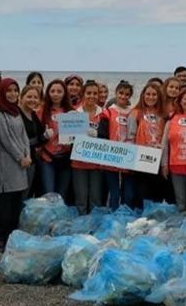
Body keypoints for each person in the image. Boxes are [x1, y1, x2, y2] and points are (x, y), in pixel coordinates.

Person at [0, 81, 32, 248]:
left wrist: (27, 155)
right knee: (3, 202)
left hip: (22, 162)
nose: (13, 94)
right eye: (9, 91)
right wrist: (19, 157)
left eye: (16, 90)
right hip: (6, 162)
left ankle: (12, 234)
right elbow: (5, 138)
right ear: (2, 92)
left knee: (16, 202)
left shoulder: (16, 111)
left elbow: (24, 136)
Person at [128, 83, 166, 208]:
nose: (151, 97)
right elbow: (130, 137)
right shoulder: (135, 113)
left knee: (157, 192)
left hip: (158, 159)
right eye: (148, 94)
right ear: (143, 95)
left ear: (159, 96)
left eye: (154, 94)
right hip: (141, 159)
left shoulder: (163, 114)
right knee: (142, 192)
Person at [98, 80, 135, 209]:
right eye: (121, 93)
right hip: (111, 157)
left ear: (130, 96)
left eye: (127, 94)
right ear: (116, 93)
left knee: (129, 193)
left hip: (128, 158)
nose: (123, 96)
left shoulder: (133, 113)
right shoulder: (107, 112)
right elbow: (101, 136)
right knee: (114, 193)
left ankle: (125, 217)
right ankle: (114, 217)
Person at [70, 81, 104, 214]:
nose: (92, 96)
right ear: (83, 94)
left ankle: (94, 228)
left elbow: (108, 136)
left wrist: (97, 135)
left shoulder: (104, 114)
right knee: (81, 199)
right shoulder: (74, 114)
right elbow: (68, 139)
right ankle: (81, 229)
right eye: (89, 93)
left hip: (97, 164)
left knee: (96, 198)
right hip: (79, 164)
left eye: (95, 93)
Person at [38, 79, 74, 196]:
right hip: (48, 158)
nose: (56, 94)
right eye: (52, 91)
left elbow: (79, 138)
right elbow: (36, 134)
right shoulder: (42, 111)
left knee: (61, 195)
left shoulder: (71, 112)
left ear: (64, 93)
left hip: (65, 159)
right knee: (49, 194)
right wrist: (44, 136)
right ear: (48, 93)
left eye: (59, 91)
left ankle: (59, 215)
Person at [18, 83, 43, 194]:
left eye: (35, 97)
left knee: (27, 192)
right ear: (21, 97)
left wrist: (46, 135)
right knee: (20, 193)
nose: (32, 100)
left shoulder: (33, 114)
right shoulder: (16, 114)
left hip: (32, 159)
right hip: (19, 159)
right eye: (29, 96)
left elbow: (40, 137)